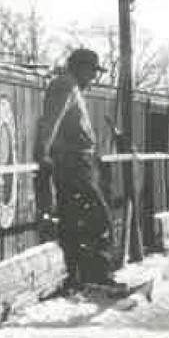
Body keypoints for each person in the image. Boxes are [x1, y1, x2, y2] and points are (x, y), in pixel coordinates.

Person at [33, 48, 117, 294]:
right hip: (73, 164)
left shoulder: (69, 87)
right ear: (81, 68)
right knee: (98, 219)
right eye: (92, 72)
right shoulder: (65, 86)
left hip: (75, 162)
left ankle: (81, 278)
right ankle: (98, 278)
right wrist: (42, 153)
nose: (93, 78)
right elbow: (51, 121)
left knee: (75, 221)